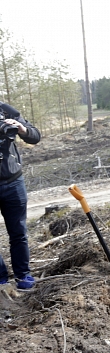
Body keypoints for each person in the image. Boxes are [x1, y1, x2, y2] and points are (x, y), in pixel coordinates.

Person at [0, 102, 41, 291]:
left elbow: (35, 136)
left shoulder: (5, 109)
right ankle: (1, 280)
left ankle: (23, 275)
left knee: (18, 232)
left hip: (13, 181)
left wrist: (22, 129)